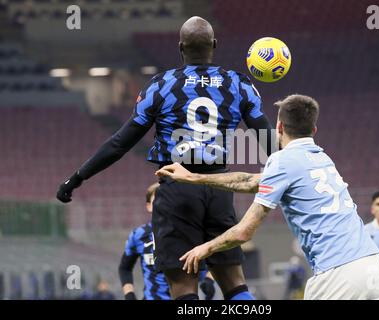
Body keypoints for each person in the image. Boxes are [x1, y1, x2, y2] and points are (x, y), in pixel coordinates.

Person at [56, 16, 274, 300]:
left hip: (176, 190)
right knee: (234, 284)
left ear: (180, 47)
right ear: (214, 45)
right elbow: (267, 138)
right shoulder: (238, 84)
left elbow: (120, 143)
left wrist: (77, 178)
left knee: (184, 288)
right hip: (220, 188)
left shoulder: (161, 85)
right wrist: (291, 173)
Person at [156, 94, 379, 300]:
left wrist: (205, 249)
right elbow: (251, 181)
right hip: (374, 267)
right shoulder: (321, 158)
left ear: (278, 127)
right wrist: (195, 177)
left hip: (339, 275)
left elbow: (243, 232)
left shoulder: (281, 161)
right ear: (314, 130)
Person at [118, 183, 216, 300]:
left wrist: (209, 280)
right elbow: (124, 268)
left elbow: (215, 262)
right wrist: (129, 295)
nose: (163, 205)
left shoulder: (191, 232)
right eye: (158, 200)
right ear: (149, 206)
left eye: (167, 200)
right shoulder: (138, 235)